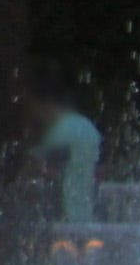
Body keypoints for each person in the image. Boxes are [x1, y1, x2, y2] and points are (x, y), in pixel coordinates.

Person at [32, 84, 104, 224]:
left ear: (47, 105)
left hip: (64, 212)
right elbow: (100, 169)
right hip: (85, 210)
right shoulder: (87, 126)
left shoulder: (60, 130)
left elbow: (39, 166)